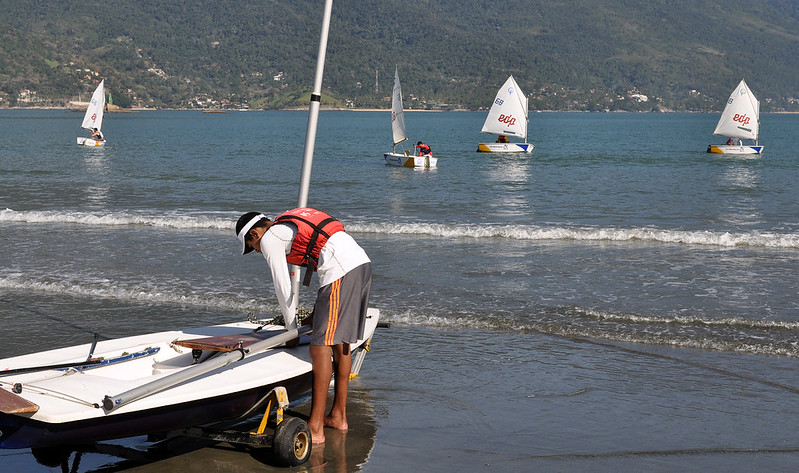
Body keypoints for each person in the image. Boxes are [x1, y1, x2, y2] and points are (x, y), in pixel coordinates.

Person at [236, 208, 372, 444]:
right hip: (360, 263)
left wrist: (291, 331)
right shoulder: (284, 228)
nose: (257, 252)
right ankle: (338, 416)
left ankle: (316, 427)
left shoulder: (270, 239)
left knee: (319, 349)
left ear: (255, 235)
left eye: (252, 248)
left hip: (340, 271)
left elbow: (283, 287)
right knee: (342, 344)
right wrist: (313, 317)